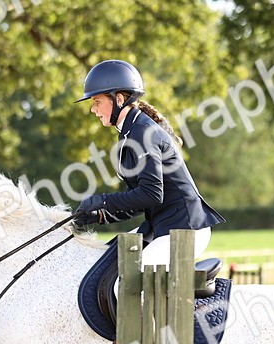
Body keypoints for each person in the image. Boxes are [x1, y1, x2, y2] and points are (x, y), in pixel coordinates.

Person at [72, 59, 224, 271]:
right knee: (106, 264)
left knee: (126, 284)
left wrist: (103, 200)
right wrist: (100, 214)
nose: (93, 109)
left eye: (97, 102)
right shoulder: (129, 132)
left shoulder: (142, 132)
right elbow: (138, 199)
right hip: (162, 225)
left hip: (184, 228)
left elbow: (152, 194)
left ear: (118, 99)